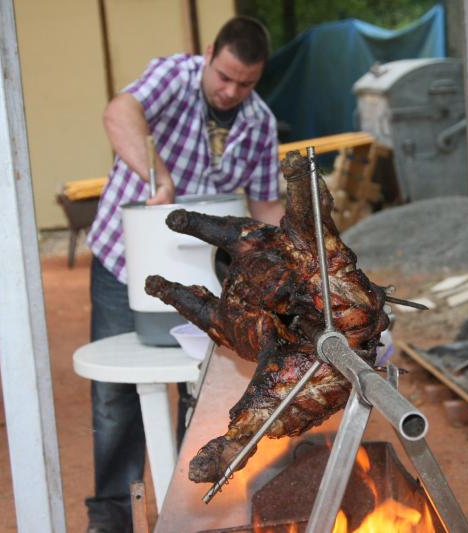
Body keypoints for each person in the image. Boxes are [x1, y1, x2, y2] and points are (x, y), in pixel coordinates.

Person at [84, 16, 284, 533]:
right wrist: (159, 177)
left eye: (246, 83)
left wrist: (294, 256)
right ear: (209, 53)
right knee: (115, 393)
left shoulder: (260, 122)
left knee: (198, 385)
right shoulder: (174, 76)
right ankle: (111, 518)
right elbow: (119, 111)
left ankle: (188, 511)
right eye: (224, 76)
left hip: (201, 278)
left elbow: (266, 205)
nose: (231, 91)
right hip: (124, 260)